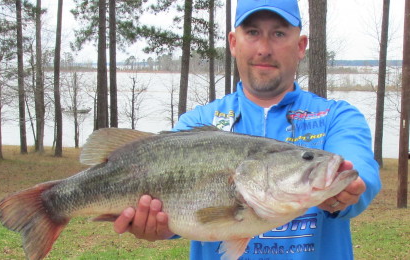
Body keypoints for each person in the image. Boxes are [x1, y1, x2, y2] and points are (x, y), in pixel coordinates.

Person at [113, 0, 382, 259]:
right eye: (252, 32)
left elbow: (359, 172)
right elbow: (179, 216)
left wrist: (347, 194)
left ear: (301, 46)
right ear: (233, 42)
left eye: (278, 33)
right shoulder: (198, 123)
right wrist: (157, 227)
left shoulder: (337, 117)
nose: (264, 48)